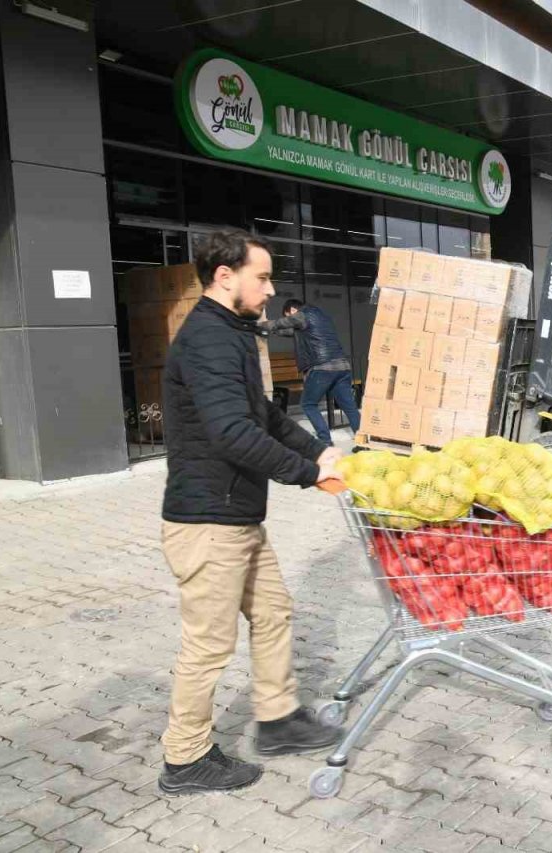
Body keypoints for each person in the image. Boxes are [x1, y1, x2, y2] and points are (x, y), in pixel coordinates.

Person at [158, 229, 344, 795]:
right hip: (209, 522)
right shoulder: (209, 340)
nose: (269, 290)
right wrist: (312, 475)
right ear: (225, 276)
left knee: (273, 612)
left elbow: (261, 413)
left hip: (236, 516)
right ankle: (185, 758)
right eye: (261, 277)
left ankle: (277, 719)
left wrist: (318, 447)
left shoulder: (230, 333)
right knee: (209, 645)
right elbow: (232, 433)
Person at [264, 298, 361, 444]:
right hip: (342, 366)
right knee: (349, 405)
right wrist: (274, 332)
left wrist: (260, 325)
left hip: (322, 367)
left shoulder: (302, 315)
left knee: (308, 404)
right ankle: (364, 443)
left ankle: (325, 441)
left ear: (292, 311)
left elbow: (281, 323)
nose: (288, 318)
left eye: (288, 316)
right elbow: (290, 331)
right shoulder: (320, 315)